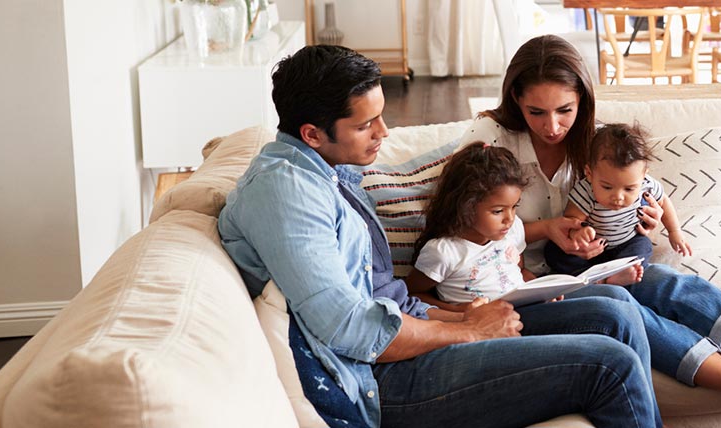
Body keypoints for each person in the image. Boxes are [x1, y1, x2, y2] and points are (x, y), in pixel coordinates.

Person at [217, 45, 661, 428]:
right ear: (313, 134)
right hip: (382, 378)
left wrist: (457, 314)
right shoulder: (287, 192)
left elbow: (383, 296)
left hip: (412, 329)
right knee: (610, 366)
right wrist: (468, 330)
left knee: (616, 311)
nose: (384, 132)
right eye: (365, 125)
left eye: (381, 116)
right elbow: (350, 328)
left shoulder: (329, 172)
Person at [457, 34, 721, 422]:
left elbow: (633, 198)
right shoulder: (490, 140)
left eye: (566, 109)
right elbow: (460, 227)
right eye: (537, 112)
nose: (553, 126)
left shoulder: (594, 145)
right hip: (521, 287)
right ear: (516, 99)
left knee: (669, 283)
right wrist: (547, 228)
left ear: (582, 99)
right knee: (623, 304)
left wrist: (645, 222)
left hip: (588, 269)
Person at [545, 122, 691, 284]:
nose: (618, 197)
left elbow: (663, 201)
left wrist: (674, 231)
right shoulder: (586, 191)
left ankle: (619, 274)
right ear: (589, 174)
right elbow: (571, 220)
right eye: (607, 187)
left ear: (643, 176)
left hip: (626, 243)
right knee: (554, 252)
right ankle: (592, 278)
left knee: (643, 246)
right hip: (591, 250)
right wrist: (577, 234)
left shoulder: (647, 185)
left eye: (629, 189)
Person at [405, 144, 537, 303]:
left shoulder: (512, 229)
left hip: (527, 308)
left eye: (515, 206)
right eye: (497, 211)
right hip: (497, 324)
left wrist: (542, 292)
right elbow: (411, 294)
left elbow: (519, 271)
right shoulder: (445, 252)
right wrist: (459, 313)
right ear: (466, 207)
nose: (510, 218)